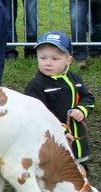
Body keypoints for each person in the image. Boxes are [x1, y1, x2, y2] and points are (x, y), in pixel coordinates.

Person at [24, 30, 94, 169]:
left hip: (77, 138)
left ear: (69, 60)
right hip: (51, 139)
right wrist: (60, 130)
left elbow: (88, 97)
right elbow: (36, 115)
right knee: (55, 170)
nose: (48, 63)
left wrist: (81, 110)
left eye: (55, 59)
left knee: (80, 170)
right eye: (43, 58)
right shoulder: (36, 85)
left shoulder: (75, 79)